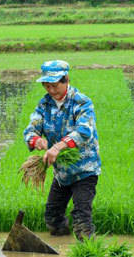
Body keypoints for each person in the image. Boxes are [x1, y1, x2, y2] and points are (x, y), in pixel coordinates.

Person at [23, 60, 100, 240]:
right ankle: (61, 251)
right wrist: (36, 140)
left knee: (81, 220)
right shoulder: (44, 104)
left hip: (84, 170)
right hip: (62, 172)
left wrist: (58, 146)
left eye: (55, 85)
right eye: (46, 85)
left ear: (66, 79)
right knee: (52, 217)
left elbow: (84, 131)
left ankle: (89, 252)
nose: (51, 90)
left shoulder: (81, 102)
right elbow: (31, 129)